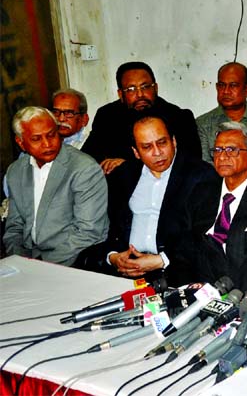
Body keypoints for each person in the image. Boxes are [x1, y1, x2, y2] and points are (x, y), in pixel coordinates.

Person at [176, 122, 247, 291]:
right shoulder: (201, 193)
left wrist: (222, 293)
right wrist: (188, 287)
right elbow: (184, 248)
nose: (222, 157)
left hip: (244, 292)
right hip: (199, 289)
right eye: (217, 150)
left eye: (231, 150)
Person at [102, 115, 218, 284]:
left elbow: (205, 236)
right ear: (136, 152)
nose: (157, 152)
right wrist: (113, 256)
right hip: (126, 269)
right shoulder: (124, 175)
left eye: (162, 142)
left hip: (177, 271)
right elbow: (111, 226)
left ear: (174, 141)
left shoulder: (201, 175)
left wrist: (161, 259)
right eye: (147, 147)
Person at [3, 106, 108, 266]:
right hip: (29, 261)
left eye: (51, 135)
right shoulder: (16, 171)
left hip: (74, 260)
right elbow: (14, 228)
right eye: (37, 139)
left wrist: (41, 266)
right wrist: (21, 262)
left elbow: (89, 232)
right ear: (21, 143)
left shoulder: (83, 169)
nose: (47, 144)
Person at [81, 61, 201, 174]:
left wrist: (130, 165)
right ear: (120, 94)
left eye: (145, 87)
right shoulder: (107, 116)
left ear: (155, 88)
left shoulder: (179, 117)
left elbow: (191, 161)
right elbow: (87, 158)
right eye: (131, 89)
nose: (140, 95)